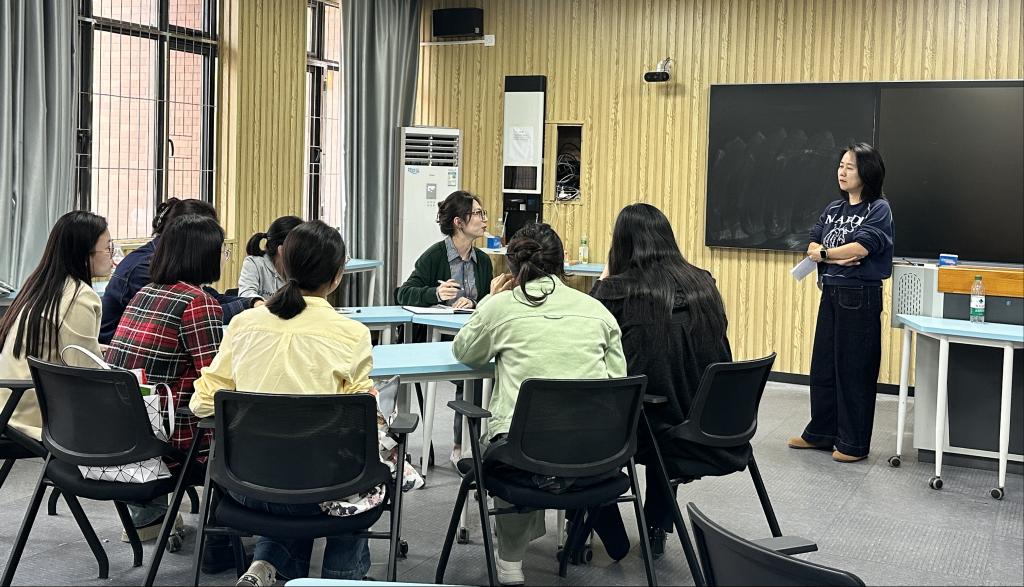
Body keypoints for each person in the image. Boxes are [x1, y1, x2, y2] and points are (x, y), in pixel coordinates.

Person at [191, 220, 378, 585]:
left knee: (291, 465)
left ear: (283, 266)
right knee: (359, 476)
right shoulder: (352, 333)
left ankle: (267, 563)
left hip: (244, 485)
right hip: (321, 488)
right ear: (337, 276)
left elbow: (202, 404)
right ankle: (340, 578)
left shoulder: (244, 323)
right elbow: (358, 420)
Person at [452, 222, 626, 586]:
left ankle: (511, 561)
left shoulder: (501, 307)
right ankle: (572, 529)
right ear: (562, 263)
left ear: (513, 266)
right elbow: (617, 380)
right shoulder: (597, 311)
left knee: (510, 444)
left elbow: (465, 351)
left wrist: (489, 299)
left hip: (523, 455)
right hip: (594, 453)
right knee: (541, 439)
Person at [588, 203, 740, 558]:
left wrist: (604, 280)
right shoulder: (703, 282)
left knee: (590, 420)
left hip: (648, 428)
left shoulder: (615, 291)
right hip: (709, 424)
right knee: (664, 394)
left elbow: (588, 332)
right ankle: (657, 523)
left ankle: (602, 528)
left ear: (621, 244)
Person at [104, 214, 225, 542]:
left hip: (120, 435)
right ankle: (224, 539)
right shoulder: (198, 303)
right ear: (204, 255)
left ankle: (151, 518)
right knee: (248, 426)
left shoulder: (146, 292)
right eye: (221, 250)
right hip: (171, 441)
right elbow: (215, 379)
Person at [789, 143, 894, 463]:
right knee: (824, 366)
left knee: (854, 370)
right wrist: (830, 255)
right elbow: (814, 241)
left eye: (850, 167)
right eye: (841, 165)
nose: (842, 172)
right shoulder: (834, 208)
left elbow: (861, 248)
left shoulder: (878, 209)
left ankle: (853, 443)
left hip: (859, 295)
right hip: (831, 291)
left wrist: (825, 254)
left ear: (867, 172)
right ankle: (821, 433)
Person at [395, 190, 494, 465]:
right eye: (478, 214)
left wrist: (475, 302)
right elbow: (404, 293)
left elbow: (488, 300)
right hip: (438, 341)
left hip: (471, 335)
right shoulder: (435, 256)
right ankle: (462, 445)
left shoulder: (483, 261)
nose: (485, 220)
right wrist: (436, 294)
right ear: (458, 222)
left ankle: (482, 443)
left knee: (489, 371)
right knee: (473, 375)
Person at [0, 211, 112, 440]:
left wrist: (97, 350)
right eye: (108, 248)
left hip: (9, 406)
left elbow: (56, 348)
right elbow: (85, 372)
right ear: (85, 254)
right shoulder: (79, 297)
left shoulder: (42, 285)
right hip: (35, 415)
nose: (113, 256)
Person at [99, 197, 257, 344]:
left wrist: (252, 303)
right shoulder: (145, 268)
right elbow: (197, 316)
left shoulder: (168, 260)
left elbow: (210, 299)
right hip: (115, 352)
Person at [237, 215, 303, 300]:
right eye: (300, 247)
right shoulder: (255, 263)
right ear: (282, 249)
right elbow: (245, 294)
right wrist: (257, 302)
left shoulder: (304, 267)